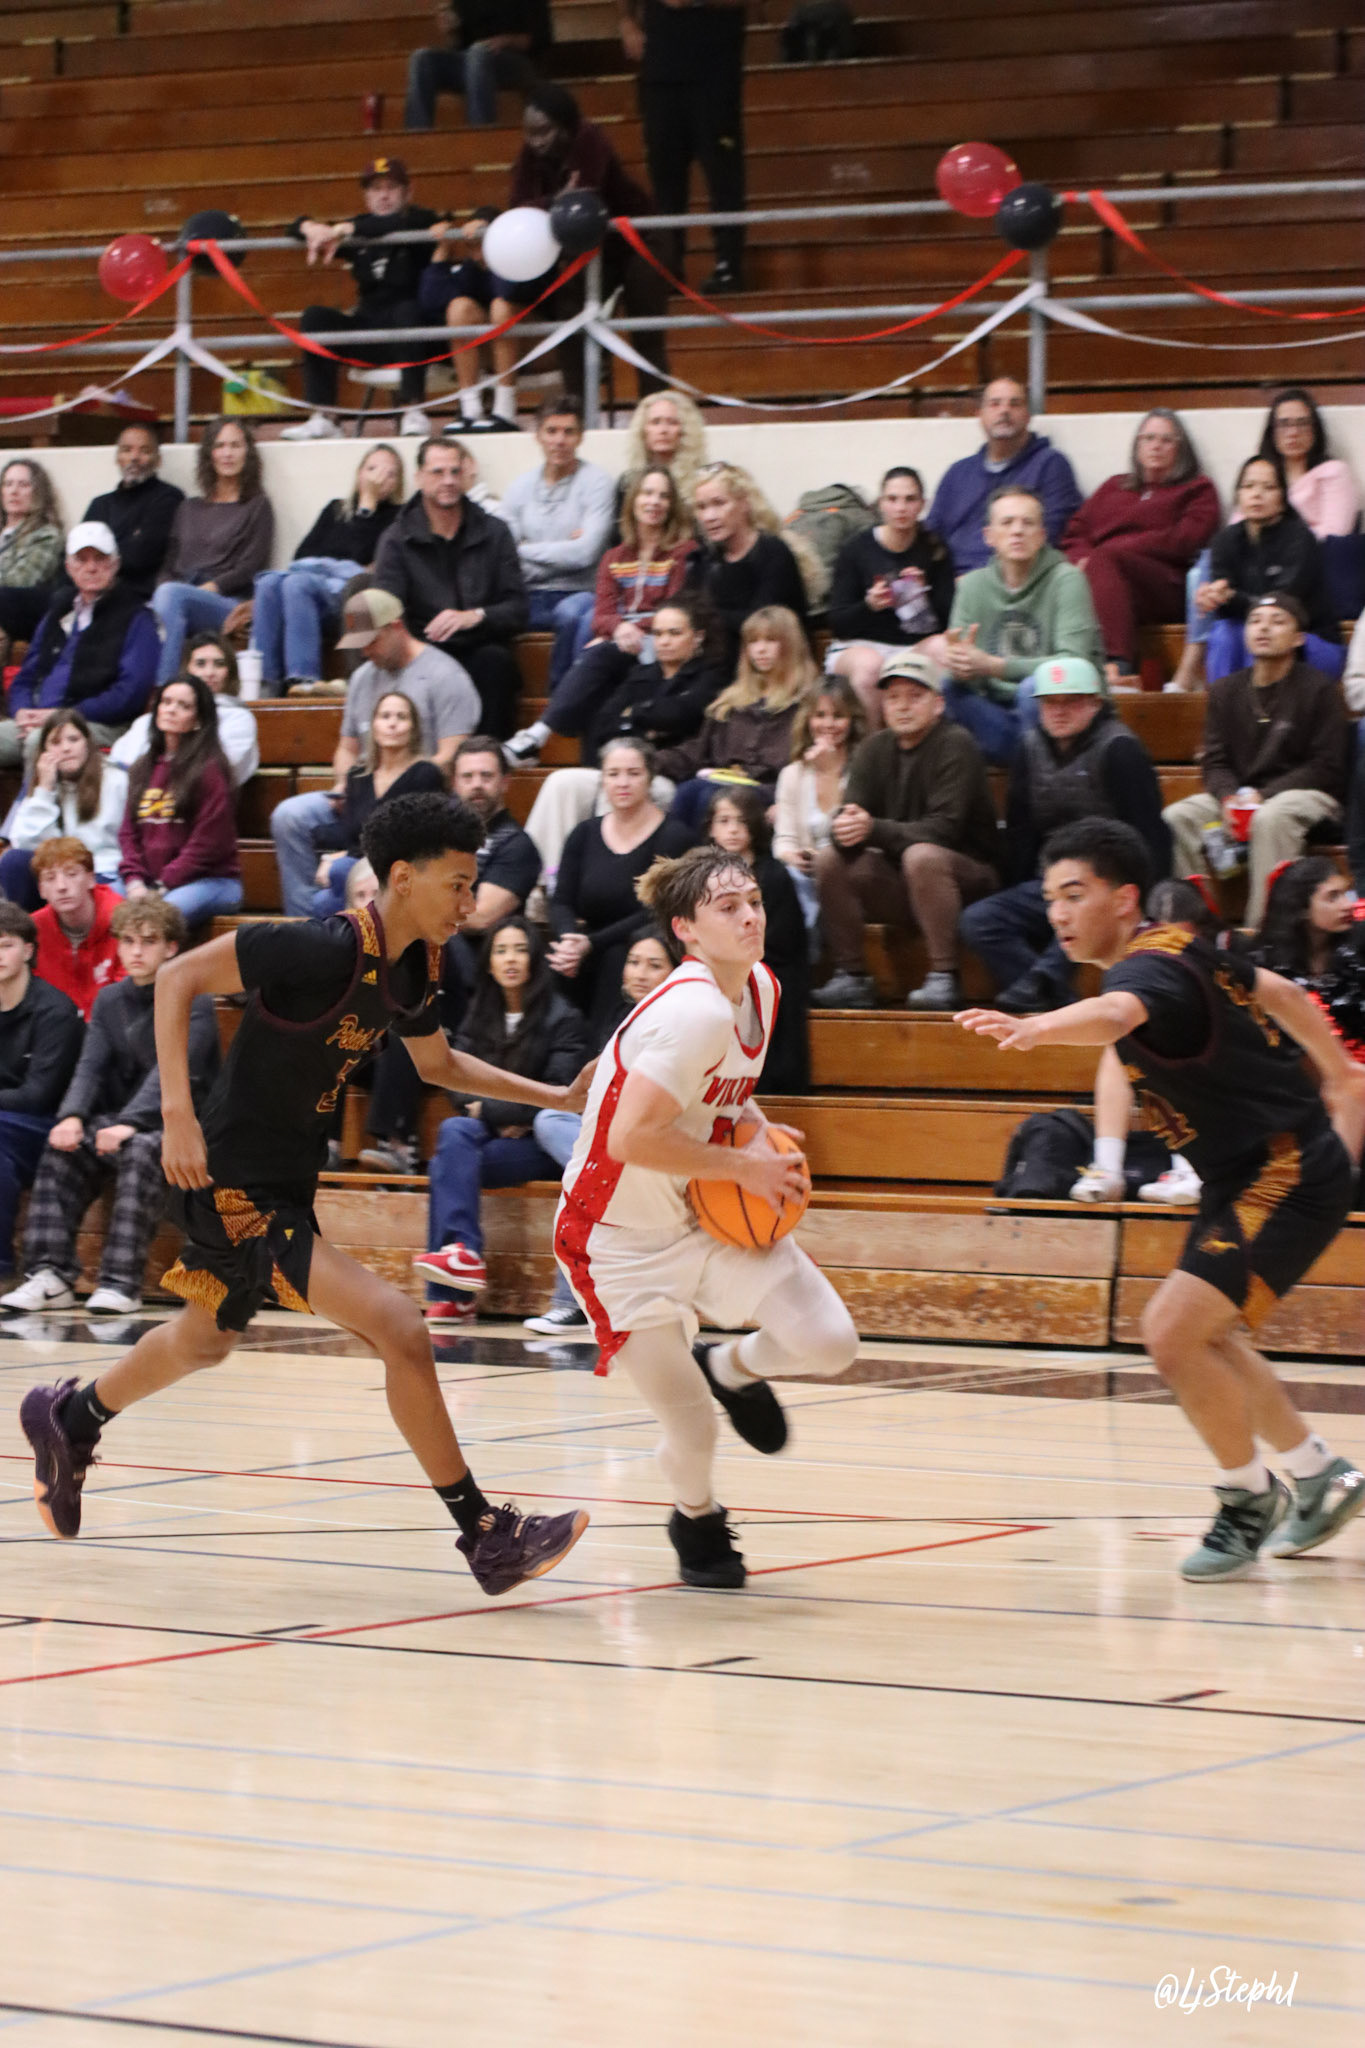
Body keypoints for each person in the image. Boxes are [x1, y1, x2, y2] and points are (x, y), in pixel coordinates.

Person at [18, 792, 593, 1600]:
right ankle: (485, 1534)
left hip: (286, 1177)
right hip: (230, 1180)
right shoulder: (321, 947)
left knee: (204, 1340)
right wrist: (176, 1115)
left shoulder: (415, 965)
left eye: (473, 885)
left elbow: (438, 1065)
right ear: (402, 877)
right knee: (401, 1327)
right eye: (458, 884)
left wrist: (557, 1097)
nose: (470, 902)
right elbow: (178, 977)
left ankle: (70, 1418)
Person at [958, 815, 1365, 1582]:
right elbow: (1276, 989)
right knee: (1209, 1338)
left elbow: (1115, 1016)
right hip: (1250, 1173)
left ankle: (1248, 1498)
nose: (1057, 913)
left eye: (1073, 894)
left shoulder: (1141, 975)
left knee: (1171, 1334)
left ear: (1122, 899)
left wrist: (1040, 1026)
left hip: (1283, 1173)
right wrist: (1338, 1070)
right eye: (1049, 899)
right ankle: (1319, 1476)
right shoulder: (1184, 946)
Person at [554, 842, 861, 1586]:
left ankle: (729, 1366)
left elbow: (722, 1096)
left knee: (831, 1342)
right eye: (728, 907)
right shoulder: (692, 1011)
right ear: (685, 930)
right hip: (617, 1238)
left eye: (753, 901)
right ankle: (696, 1519)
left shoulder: (761, 987)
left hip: (697, 1211)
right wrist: (746, 1167)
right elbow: (629, 1138)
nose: (750, 916)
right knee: (690, 1428)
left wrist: (756, 1134)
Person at [2, 897, 219, 1317]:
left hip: (185, 1125)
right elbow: (90, 1067)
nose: (136, 951)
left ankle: (121, 1283)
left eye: (149, 942)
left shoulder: (194, 1000)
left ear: (171, 948)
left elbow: (176, 1072)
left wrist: (130, 1123)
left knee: (141, 1150)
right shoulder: (109, 1000)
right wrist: (71, 1115)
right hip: (120, 1120)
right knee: (63, 1146)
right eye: (128, 941)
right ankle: (49, 1275)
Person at [356, 736, 542, 1174]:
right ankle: (342, 1139)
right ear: (453, 783)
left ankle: (398, 1141)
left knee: (423, 959)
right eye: (467, 776)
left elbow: (480, 914)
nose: (477, 785)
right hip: (432, 973)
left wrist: (421, 907)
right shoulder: (438, 842)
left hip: (479, 987)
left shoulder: (517, 845)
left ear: (506, 782)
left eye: (486, 776)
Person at [959, 656, 1170, 1014]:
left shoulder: (1120, 748)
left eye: (1070, 701)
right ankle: (1050, 991)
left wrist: (1149, 893)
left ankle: (1042, 985)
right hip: (1050, 880)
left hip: (1110, 883)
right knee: (979, 920)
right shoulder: (1029, 747)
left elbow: (1149, 830)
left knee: (1080, 907)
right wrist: (1023, 889)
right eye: (1049, 703)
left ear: (1094, 703)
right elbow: (1021, 830)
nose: (1058, 711)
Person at [416, 915, 588, 1323]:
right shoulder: (479, 1013)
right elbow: (456, 1083)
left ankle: (455, 1294)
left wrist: (490, 1109)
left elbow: (561, 1094)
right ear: (489, 962)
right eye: (501, 950)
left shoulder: (563, 1017)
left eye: (520, 950)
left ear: (534, 959)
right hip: (492, 1137)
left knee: (446, 1162)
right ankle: (463, 1253)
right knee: (454, 1129)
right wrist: (500, 1113)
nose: (511, 959)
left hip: (540, 1145)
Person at [269, 588, 480, 917]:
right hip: (363, 789)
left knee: (354, 853)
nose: (365, 651)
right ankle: (303, 921)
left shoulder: (446, 676)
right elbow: (347, 747)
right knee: (290, 816)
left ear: (396, 627)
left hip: (415, 802)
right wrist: (345, 785)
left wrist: (393, 789)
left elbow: (451, 756)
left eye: (371, 641)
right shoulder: (362, 678)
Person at [810, 648, 998, 1012]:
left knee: (922, 855)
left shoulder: (957, 744)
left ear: (938, 703)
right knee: (828, 859)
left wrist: (871, 828)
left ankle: (945, 975)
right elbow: (849, 817)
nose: (903, 706)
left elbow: (943, 831)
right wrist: (843, 829)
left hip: (971, 881)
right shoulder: (872, 748)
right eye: (893, 697)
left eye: (915, 696)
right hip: (904, 879)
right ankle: (852, 975)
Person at [523, 927, 681, 1337]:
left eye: (654, 964)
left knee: (585, 1179)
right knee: (555, 1128)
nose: (640, 972)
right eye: (634, 962)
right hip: (614, 1141)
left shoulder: (681, 1025)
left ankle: (573, 1303)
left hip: (661, 1141)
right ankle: (579, 1301)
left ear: (676, 973)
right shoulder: (623, 1016)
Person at [1163, 593, 1349, 924]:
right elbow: (1215, 761)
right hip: (1242, 797)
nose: (1264, 628)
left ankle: (1261, 935)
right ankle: (1196, 927)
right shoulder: (1225, 690)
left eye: (1278, 622)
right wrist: (1228, 797)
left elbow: (1327, 766)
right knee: (1177, 817)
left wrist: (1263, 796)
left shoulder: (1319, 689)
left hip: (1309, 796)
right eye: (1255, 621)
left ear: (1299, 638)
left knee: (1270, 818)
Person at [508, 474, 698, 764]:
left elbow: (675, 610)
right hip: (623, 646)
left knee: (599, 655)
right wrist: (618, 628)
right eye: (647, 493)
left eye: (664, 496)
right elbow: (602, 614)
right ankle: (579, 764)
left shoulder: (683, 553)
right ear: (633, 501)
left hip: (662, 642)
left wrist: (627, 628)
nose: (655, 502)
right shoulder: (614, 557)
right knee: (600, 689)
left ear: (672, 505)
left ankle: (538, 735)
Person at [281, 158, 448, 443]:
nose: (383, 195)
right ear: (366, 196)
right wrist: (309, 227)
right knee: (315, 317)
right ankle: (325, 417)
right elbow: (292, 229)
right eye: (375, 189)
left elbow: (398, 223)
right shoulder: (356, 229)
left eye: (391, 188)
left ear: (408, 192)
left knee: (407, 310)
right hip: (370, 334)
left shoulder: (422, 222)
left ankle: (413, 410)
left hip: (415, 339)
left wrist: (349, 229)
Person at [373, 437, 528, 737]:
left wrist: (474, 616)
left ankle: (488, 757)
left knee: (497, 663)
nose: (448, 481)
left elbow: (518, 608)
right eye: (438, 472)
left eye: (455, 472)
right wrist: (415, 649)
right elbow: (386, 611)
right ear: (419, 477)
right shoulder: (396, 539)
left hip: (481, 645)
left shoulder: (494, 532)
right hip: (422, 649)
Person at [942, 486, 1104, 767]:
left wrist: (994, 666)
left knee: (1033, 688)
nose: (1017, 531)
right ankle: (1030, 762)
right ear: (988, 536)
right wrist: (961, 667)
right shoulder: (971, 586)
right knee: (948, 686)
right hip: (998, 714)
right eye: (1007, 523)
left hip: (1061, 709)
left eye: (1027, 523)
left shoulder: (1067, 580)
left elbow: (1073, 663)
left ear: (1041, 536)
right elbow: (971, 674)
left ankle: (1031, 768)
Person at [549, 734, 693, 1042]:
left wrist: (591, 944)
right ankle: (559, 1057)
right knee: (556, 961)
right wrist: (568, 940)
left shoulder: (674, 836)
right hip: (587, 943)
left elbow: (655, 910)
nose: (622, 783)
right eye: (613, 774)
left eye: (633, 773)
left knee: (619, 957)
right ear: (602, 780)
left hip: (643, 942)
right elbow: (561, 900)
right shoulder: (584, 833)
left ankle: (603, 1054)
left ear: (650, 778)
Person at [1062, 410, 1220, 677]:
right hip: (1104, 575)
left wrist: (1117, 550)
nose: (1156, 446)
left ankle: (1118, 663)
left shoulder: (1197, 488)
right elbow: (1075, 533)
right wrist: (1081, 559)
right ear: (1137, 446)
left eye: (1166, 440)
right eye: (1149, 438)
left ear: (1181, 448)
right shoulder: (1114, 486)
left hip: (1165, 583)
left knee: (1105, 560)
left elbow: (1186, 539)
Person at [0, 522, 159, 770]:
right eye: (81, 560)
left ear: (115, 564)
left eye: (100, 559)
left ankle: (34, 797)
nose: (91, 567)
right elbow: (26, 676)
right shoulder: (58, 611)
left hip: (99, 724)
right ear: (69, 568)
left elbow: (130, 693)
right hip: (39, 718)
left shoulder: (137, 618)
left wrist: (66, 715)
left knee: (39, 743)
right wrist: (22, 711)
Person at [620, 0, 748, 294]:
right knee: (664, 178)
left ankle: (728, 265)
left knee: (723, 174)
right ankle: (669, 266)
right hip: (661, 69)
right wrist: (627, 21)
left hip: (714, 69)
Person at [252, 445, 404, 691]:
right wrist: (339, 567)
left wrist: (367, 507)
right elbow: (302, 556)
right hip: (313, 594)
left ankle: (304, 680)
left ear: (397, 483)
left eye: (389, 473)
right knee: (268, 583)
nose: (378, 478)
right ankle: (263, 682)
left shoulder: (398, 516)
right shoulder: (335, 509)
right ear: (359, 474)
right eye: (372, 469)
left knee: (297, 583)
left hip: (347, 599)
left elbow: (368, 563)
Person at [657, 602, 816, 827]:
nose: (760, 650)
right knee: (686, 792)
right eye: (753, 641)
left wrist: (787, 802)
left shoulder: (807, 704)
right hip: (722, 781)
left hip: (768, 791)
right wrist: (647, 760)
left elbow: (811, 769)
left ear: (790, 645)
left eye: (770, 641)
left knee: (711, 797)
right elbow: (697, 751)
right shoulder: (731, 701)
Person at [823, 466, 954, 726]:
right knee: (870, 667)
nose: (901, 508)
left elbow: (948, 620)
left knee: (943, 648)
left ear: (923, 505)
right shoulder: (856, 549)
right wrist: (869, 605)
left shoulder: (934, 548)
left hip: (912, 645)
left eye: (910, 499)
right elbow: (837, 622)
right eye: (892, 499)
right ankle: (874, 744)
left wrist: (923, 598)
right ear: (880, 504)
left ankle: (933, 738)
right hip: (860, 645)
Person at [499, 398, 616, 688]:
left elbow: (585, 554)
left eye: (568, 432)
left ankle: (561, 698)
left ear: (581, 436)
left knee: (572, 614)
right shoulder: (520, 487)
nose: (560, 441)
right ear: (538, 435)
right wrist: (564, 549)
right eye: (551, 431)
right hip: (528, 596)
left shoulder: (598, 482)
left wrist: (524, 549)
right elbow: (504, 556)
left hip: (580, 593)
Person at [1198, 454, 1343, 685]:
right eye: (1249, 486)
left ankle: (1260, 706)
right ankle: (1223, 702)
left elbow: (1282, 606)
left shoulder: (1300, 539)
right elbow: (1225, 602)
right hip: (1253, 633)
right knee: (1225, 632)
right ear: (1238, 494)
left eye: (1269, 487)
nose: (1257, 494)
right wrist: (1213, 597)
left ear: (1282, 499)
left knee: (1265, 630)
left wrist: (1231, 597)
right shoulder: (1225, 540)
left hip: (1309, 638)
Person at [0, 901, 85, 1283]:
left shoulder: (55, 1011)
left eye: (6, 945)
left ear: (28, 950)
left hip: (48, 1128)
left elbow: (38, 1095)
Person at [703, 785, 809, 1093]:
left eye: (741, 821)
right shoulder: (700, 878)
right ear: (710, 828)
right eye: (724, 821)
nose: (733, 829)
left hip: (768, 973)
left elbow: (782, 941)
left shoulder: (774, 876)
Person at [152, 419, 274, 684]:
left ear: (248, 453)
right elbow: (169, 563)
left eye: (235, 446)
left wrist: (209, 588)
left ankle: (163, 689)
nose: (227, 453)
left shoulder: (257, 505)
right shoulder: (188, 507)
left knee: (171, 596)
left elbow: (250, 566)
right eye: (220, 446)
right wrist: (162, 590)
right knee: (148, 607)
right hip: (179, 591)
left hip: (225, 601)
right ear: (209, 454)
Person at [117, 675, 243, 929]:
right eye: (166, 702)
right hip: (149, 883)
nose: (171, 710)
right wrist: (135, 882)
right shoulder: (142, 767)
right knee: (102, 909)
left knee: (154, 920)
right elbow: (128, 833)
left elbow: (208, 843)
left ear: (199, 719)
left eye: (183, 706)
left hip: (210, 881)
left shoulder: (210, 769)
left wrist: (162, 885)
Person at [927, 378, 1081, 576]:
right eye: (995, 404)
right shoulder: (958, 473)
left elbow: (1049, 534)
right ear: (980, 415)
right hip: (949, 579)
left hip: (1013, 578)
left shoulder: (1050, 465)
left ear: (1028, 415)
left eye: (1014, 404)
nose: (1004, 410)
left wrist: (978, 581)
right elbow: (932, 534)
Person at [313, 690, 447, 915]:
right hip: (360, 865)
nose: (392, 724)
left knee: (340, 873)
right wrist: (331, 858)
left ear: (413, 729)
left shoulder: (425, 774)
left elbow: (424, 839)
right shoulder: (358, 776)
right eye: (385, 716)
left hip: (405, 866)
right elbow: (352, 836)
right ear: (373, 726)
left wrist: (341, 861)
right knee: (321, 901)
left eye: (401, 717)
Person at [684, 464, 811, 675]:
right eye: (701, 507)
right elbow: (688, 615)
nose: (709, 516)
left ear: (744, 503)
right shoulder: (702, 559)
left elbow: (761, 625)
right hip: (714, 669)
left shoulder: (773, 552)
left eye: (719, 503)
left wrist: (709, 618)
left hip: (770, 670)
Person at [0, 709, 129, 907]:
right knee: (14, 861)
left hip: (102, 870)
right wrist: (45, 790)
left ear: (87, 742)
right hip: (56, 873)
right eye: (56, 743)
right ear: (44, 751)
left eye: (73, 740)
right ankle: (25, 925)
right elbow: (25, 842)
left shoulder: (115, 779)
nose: (66, 748)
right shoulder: (43, 783)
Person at [772, 677, 865, 943]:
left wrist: (829, 772)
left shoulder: (865, 769)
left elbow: (844, 831)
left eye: (838, 716)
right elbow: (783, 839)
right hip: (803, 874)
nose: (828, 724)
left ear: (852, 720)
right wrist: (792, 857)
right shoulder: (792, 774)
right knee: (779, 876)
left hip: (849, 868)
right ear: (808, 720)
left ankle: (807, 950)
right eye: (820, 715)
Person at [111, 632, 260, 789]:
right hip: (141, 794)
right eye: (200, 664)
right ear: (187, 669)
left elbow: (223, 769)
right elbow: (121, 765)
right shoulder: (147, 721)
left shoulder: (238, 718)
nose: (210, 672)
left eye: (219, 664)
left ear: (230, 671)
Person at [405, 0, 551, 130]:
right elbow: (458, 45)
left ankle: (480, 133)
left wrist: (505, 41)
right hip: (473, 61)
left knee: (478, 52)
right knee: (421, 58)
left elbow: (540, 38)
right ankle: (416, 136)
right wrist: (450, 30)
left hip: (518, 61)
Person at [79, 424, 184, 602]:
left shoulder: (168, 498)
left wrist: (99, 553)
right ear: (117, 458)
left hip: (137, 596)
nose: (134, 457)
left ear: (158, 460)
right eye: (127, 450)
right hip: (88, 591)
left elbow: (139, 557)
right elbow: (78, 553)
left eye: (144, 451)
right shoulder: (100, 504)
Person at [31, 838, 124, 1021]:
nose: (61, 887)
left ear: (91, 879)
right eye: (50, 878)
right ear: (41, 890)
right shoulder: (32, 932)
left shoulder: (124, 922)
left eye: (71, 874)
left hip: (112, 1027)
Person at [0, 458, 64, 662]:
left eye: (23, 485)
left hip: (18, 611)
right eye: (8, 484)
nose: (14, 491)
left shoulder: (46, 535)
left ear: (38, 492)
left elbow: (22, 580)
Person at [620, 391, 709, 513]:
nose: (663, 430)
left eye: (672, 422)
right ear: (643, 430)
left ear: (685, 430)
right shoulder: (627, 483)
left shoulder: (703, 481)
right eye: (655, 422)